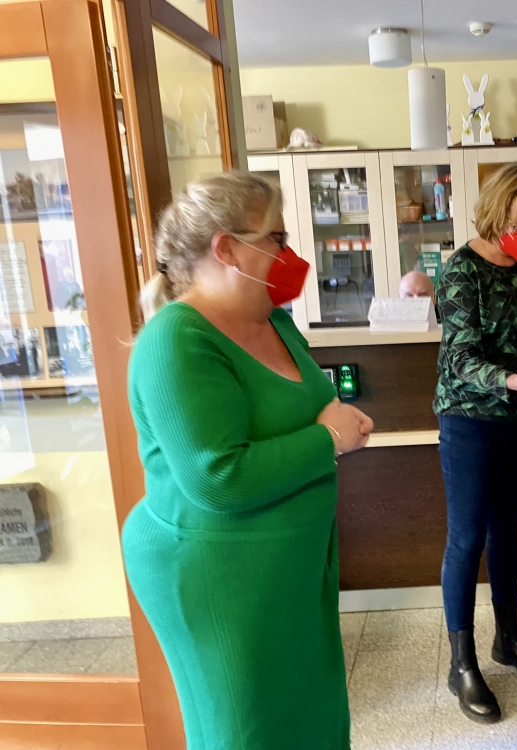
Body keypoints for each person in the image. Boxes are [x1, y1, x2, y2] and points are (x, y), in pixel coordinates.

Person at [121, 172, 373, 750]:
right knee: (247, 728)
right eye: (276, 237)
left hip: (292, 563)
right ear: (227, 248)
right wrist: (326, 439)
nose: (289, 253)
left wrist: (331, 420)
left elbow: (299, 406)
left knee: (313, 716)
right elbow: (218, 476)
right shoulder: (176, 339)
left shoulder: (275, 320)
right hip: (218, 573)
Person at [434, 163, 517, 724]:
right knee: (467, 538)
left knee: (506, 530)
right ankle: (461, 663)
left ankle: (508, 639)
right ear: (495, 215)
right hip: (469, 418)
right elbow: (459, 359)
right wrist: (510, 380)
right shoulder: (460, 271)